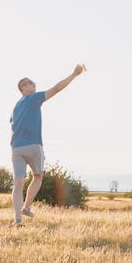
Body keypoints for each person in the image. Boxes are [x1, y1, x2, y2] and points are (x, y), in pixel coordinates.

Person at [9, 63, 86, 225]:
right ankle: (26, 207)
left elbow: (12, 124)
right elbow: (56, 89)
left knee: (18, 184)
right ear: (23, 88)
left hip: (16, 148)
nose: (34, 84)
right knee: (38, 176)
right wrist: (73, 74)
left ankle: (17, 220)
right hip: (33, 145)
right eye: (30, 83)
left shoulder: (16, 107)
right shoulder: (33, 98)